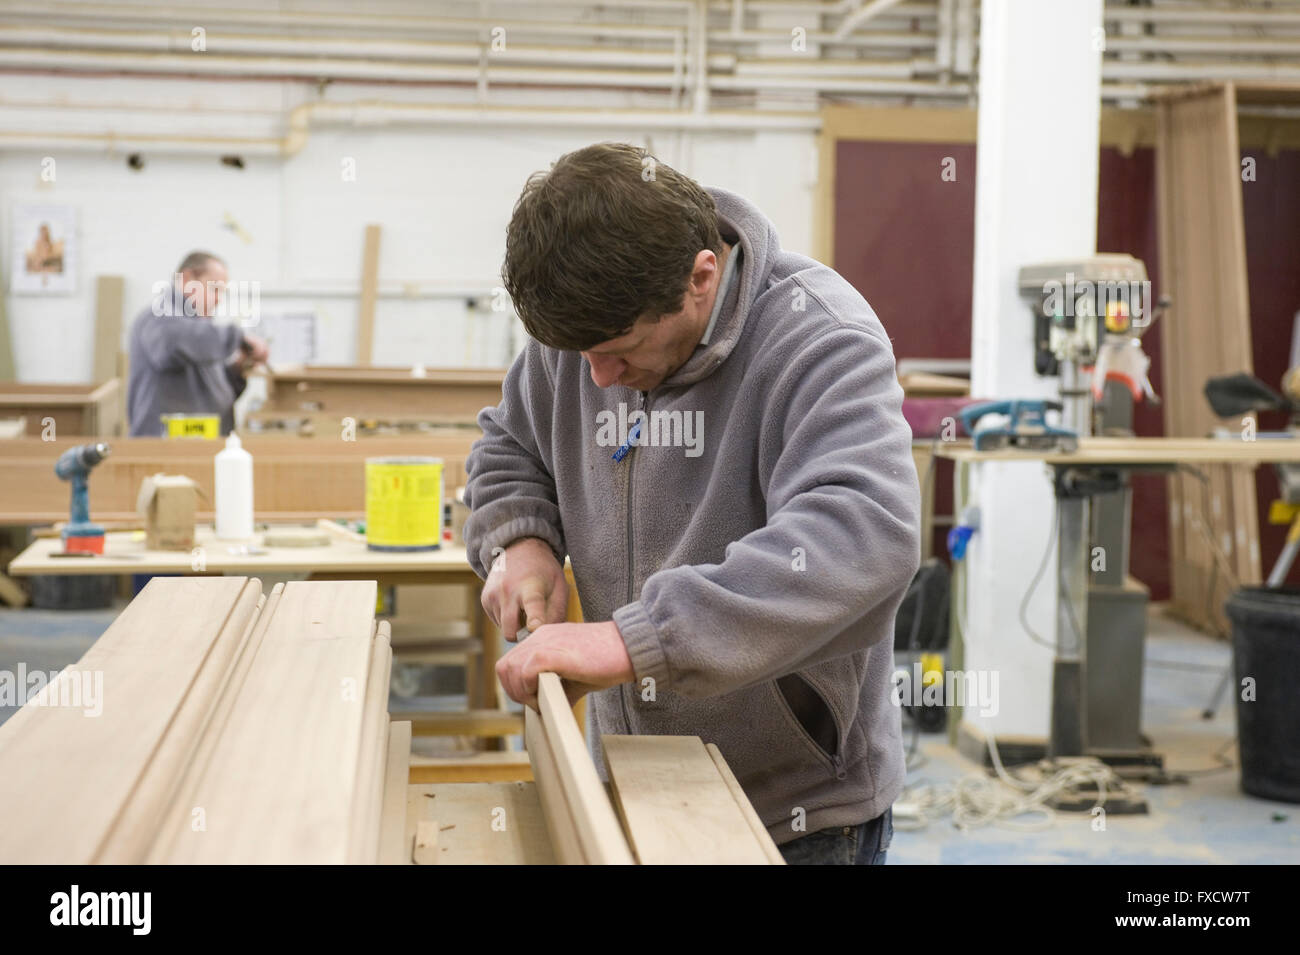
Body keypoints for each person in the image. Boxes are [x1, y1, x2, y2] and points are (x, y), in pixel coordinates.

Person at [464, 143, 920, 865]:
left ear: (701, 278)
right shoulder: (586, 336)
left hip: (791, 809)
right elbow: (509, 445)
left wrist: (634, 640)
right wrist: (520, 537)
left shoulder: (817, 335)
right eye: (577, 354)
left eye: (620, 349)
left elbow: (863, 535)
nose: (599, 379)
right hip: (631, 779)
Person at [127, 251, 268, 437]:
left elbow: (210, 390)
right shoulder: (158, 317)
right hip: (165, 449)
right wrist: (239, 337)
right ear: (187, 279)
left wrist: (236, 370)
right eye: (214, 289)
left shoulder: (199, 332)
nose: (218, 299)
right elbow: (172, 345)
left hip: (200, 444)